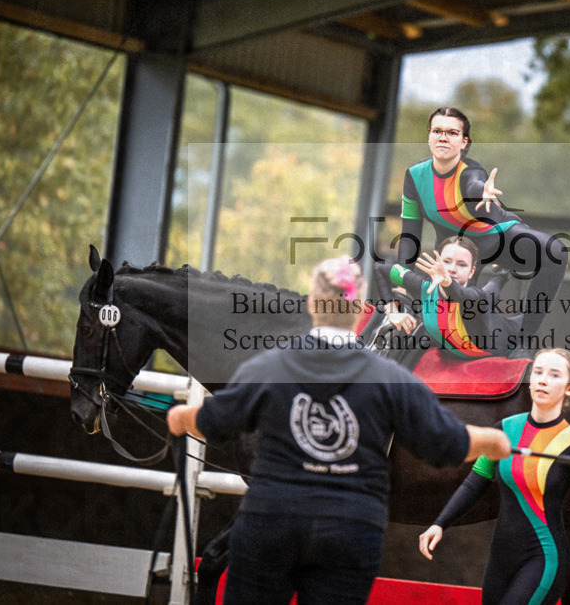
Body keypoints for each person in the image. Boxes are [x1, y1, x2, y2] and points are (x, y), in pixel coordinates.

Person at [166, 256, 511, 605]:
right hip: (351, 529)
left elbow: (215, 422)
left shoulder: (268, 366)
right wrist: (493, 440)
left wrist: (180, 418)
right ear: (359, 306)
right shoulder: (391, 379)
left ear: (314, 303)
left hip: (272, 522)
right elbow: (447, 443)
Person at [418, 348, 570, 605]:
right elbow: (474, 483)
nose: (543, 379)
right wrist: (439, 523)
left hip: (544, 559)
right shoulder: (504, 430)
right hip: (501, 559)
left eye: (555, 375)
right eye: (538, 372)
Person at [397, 107, 568, 348]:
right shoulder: (414, 176)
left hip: (498, 239)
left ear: (464, 142)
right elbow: (409, 237)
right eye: (437, 131)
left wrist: (483, 192)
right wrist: (401, 289)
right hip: (457, 249)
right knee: (453, 317)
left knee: (556, 251)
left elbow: (474, 185)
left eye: (452, 133)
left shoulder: (471, 171)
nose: (443, 137)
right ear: (429, 136)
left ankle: (523, 340)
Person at [370, 235, 521, 362]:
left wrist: (446, 281)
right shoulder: (423, 287)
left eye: (461, 265)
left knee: (487, 296)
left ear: (471, 272)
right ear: (438, 263)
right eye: (447, 262)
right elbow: (380, 267)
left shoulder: (474, 296)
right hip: (457, 348)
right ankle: (501, 274)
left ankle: (501, 275)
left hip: (503, 340)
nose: (452, 269)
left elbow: (457, 294)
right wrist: (392, 312)